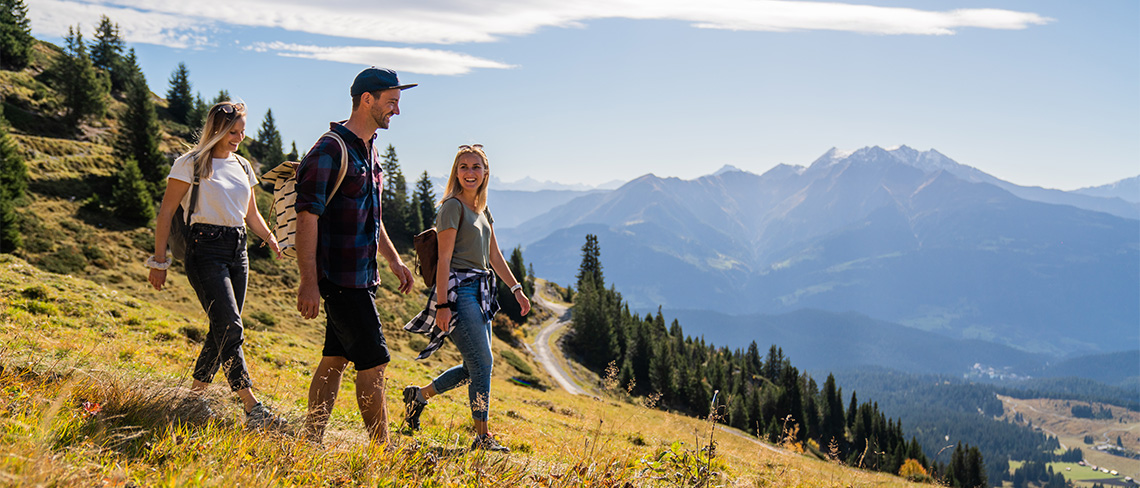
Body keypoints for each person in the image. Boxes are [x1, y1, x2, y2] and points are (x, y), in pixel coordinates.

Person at [295, 67, 417, 445]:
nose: (397, 110)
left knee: (335, 358)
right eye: (392, 102)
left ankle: (310, 439)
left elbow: (372, 216)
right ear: (368, 99)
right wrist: (309, 281)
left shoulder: (369, 149)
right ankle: (381, 451)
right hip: (339, 277)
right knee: (375, 362)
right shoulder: (330, 149)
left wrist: (394, 260)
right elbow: (307, 215)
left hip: (363, 275)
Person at [148, 100, 286, 429]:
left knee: (221, 329)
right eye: (232, 131)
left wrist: (270, 238)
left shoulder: (242, 165)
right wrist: (159, 260)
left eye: (241, 132)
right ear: (217, 129)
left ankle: (193, 402)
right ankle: (253, 409)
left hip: (238, 250)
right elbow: (166, 213)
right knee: (231, 327)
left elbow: (250, 213)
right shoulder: (190, 163)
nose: (238, 137)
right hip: (203, 249)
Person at [402, 144, 531, 452]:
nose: (470, 172)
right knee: (482, 363)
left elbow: (494, 255)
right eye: (464, 167)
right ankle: (483, 437)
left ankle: (417, 397)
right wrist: (444, 305)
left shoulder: (482, 209)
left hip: (482, 292)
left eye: (476, 167)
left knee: (476, 365)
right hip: (459, 292)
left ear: (486, 173)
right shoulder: (452, 207)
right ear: (456, 172)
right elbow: (444, 260)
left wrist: (516, 290)